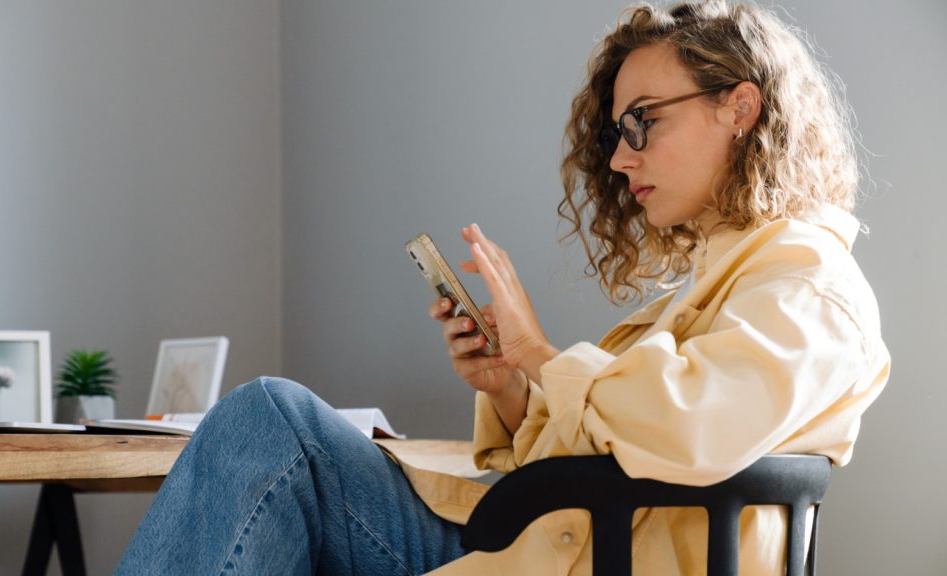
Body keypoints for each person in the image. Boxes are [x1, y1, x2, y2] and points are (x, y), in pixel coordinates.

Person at [115, 0, 889, 574]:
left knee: (273, 424)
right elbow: (624, 443)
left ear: (740, 108)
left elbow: (688, 430)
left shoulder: (811, 289)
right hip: (555, 545)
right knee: (271, 424)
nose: (621, 160)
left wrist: (542, 352)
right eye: (618, 132)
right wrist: (516, 386)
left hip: (583, 559)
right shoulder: (728, 279)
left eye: (642, 122)